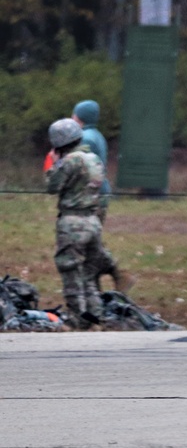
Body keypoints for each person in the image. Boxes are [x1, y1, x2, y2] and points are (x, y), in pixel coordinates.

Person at [45, 118, 110, 330]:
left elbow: (53, 186)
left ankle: (77, 319)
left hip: (73, 223)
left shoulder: (69, 161)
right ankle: (96, 316)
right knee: (88, 274)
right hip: (93, 221)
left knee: (70, 271)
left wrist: (52, 164)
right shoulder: (94, 159)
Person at [71, 99, 135, 293]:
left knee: (85, 242)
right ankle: (99, 285)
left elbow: (84, 170)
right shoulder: (96, 135)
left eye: (74, 114)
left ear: (80, 117)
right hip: (100, 194)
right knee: (90, 242)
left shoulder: (85, 138)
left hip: (92, 196)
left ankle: (114, 277)